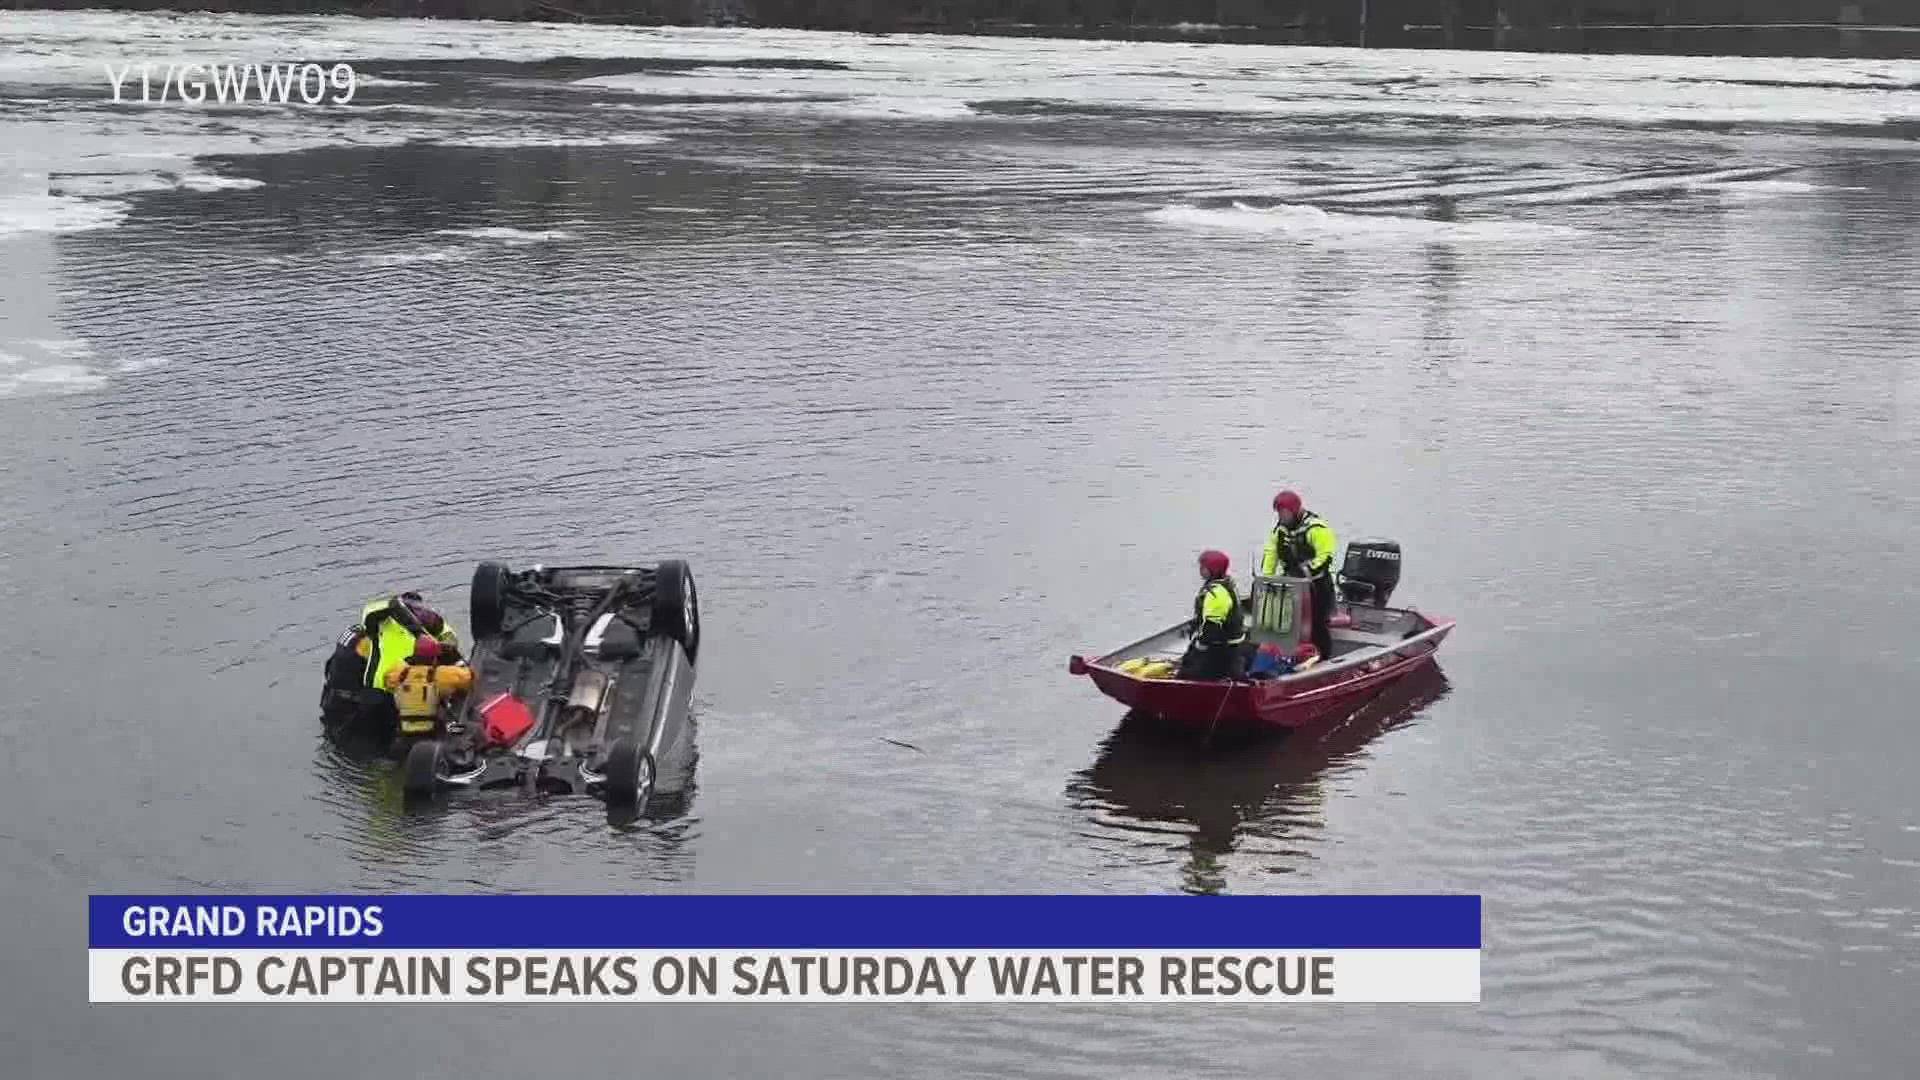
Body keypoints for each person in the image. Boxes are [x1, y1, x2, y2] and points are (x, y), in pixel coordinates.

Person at [321, 592, 462, 727]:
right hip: (351, 712)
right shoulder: (381, 643)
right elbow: (389, 686)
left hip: (336, 700)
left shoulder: (371, 628)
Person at [1260, 490, 1338, 662]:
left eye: (1284, 512)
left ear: (1294, 510)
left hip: (1317, 584)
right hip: (1292, 584)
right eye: (1279, 513)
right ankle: (1286, 656)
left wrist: (1306, 572)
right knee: (1286, 621)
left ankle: (1324, 658)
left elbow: (1326, 555)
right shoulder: (1280, 530)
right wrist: (1267, 579)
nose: (1281, 516)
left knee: (1317, 624)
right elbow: (1270, 554)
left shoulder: (1316, 527)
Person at [1178, 549, 1248, 680]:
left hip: (1221, 648)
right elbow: (1206, 617)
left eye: (1203, 567)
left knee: (1187, 671)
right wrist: (1193, 626)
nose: (1200, 570)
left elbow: (1212, 627)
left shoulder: (1217, 594)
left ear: (1212, 570)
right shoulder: (1226, 585)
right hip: (1228, 645)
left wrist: (1199, 646)